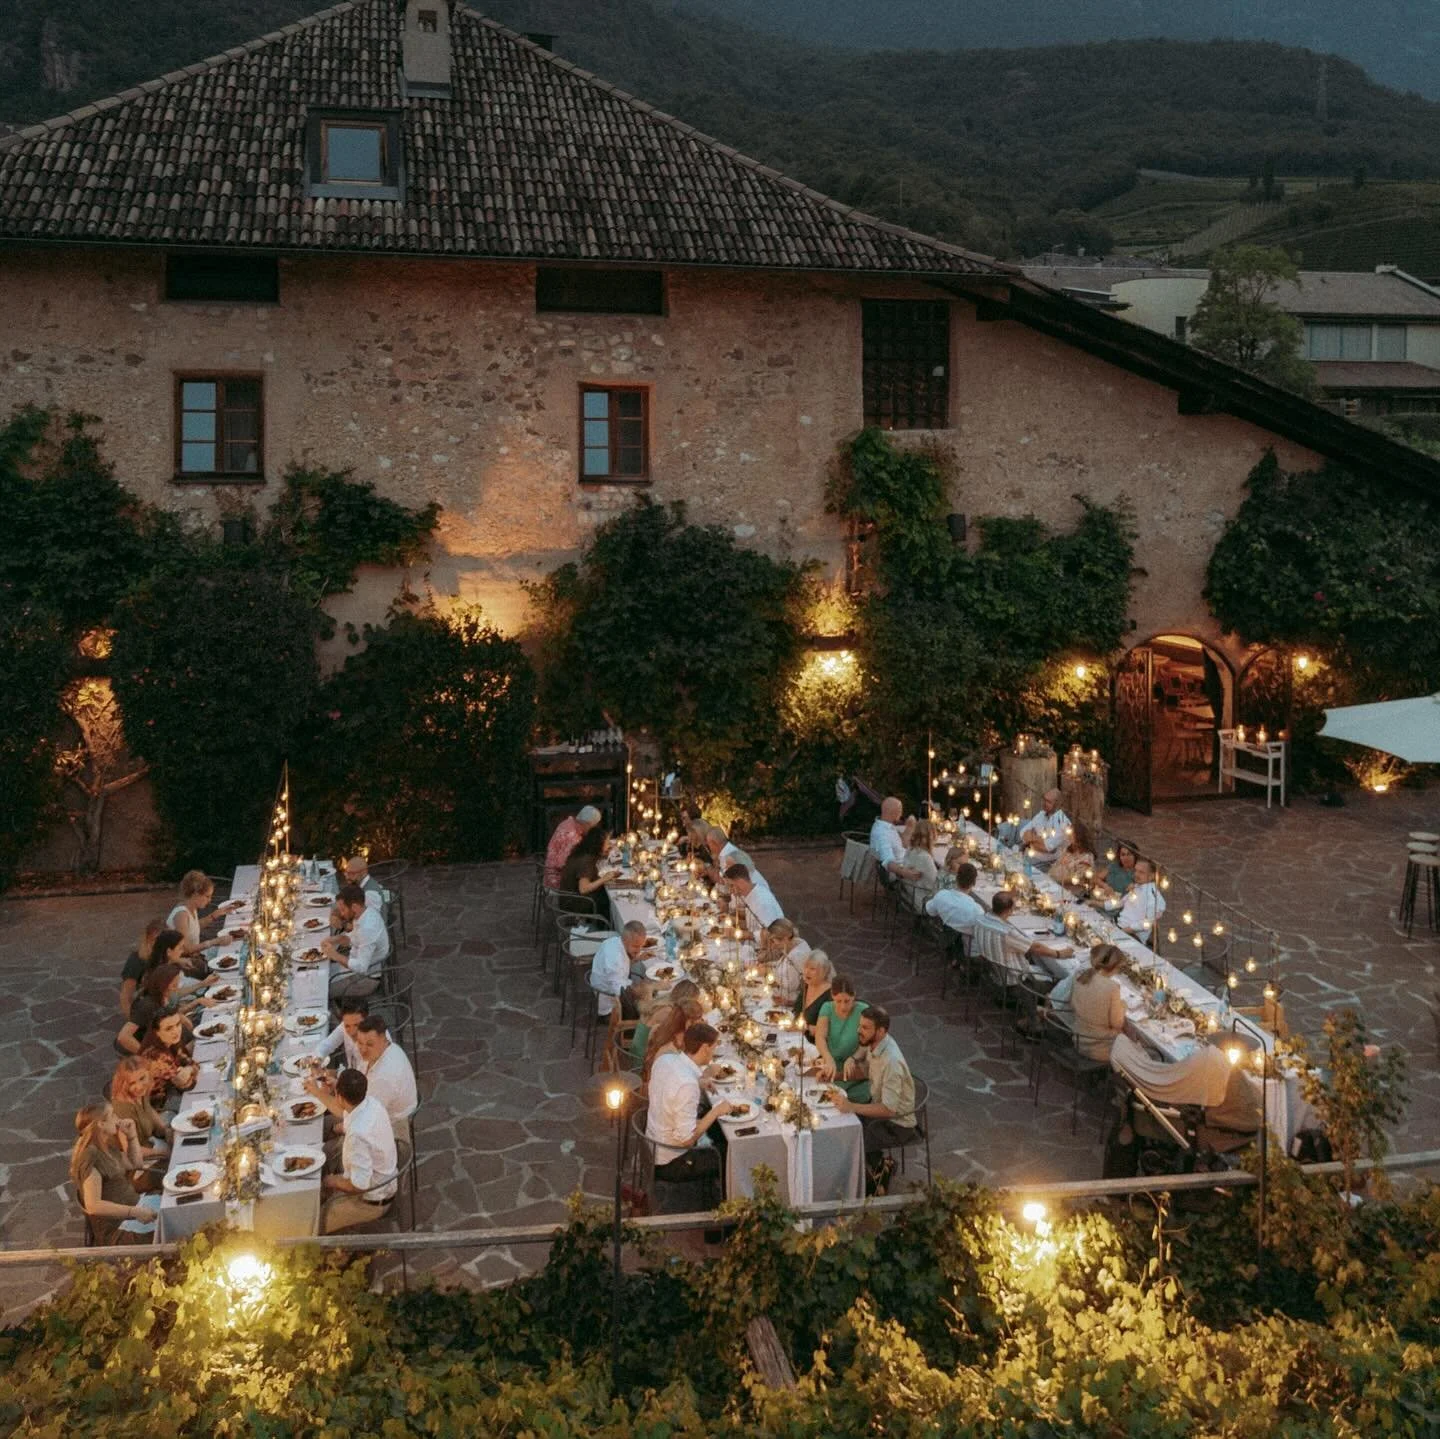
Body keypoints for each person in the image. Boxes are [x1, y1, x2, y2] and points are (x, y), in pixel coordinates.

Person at [832, 1006, 917, 1191]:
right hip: (879, 1110)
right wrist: (835, 1075)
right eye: (860, 1026)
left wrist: (851, 1106)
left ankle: (865, 1184)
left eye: (865, 1028)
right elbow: (864, 1068)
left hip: (897, 1123)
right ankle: (880, 1166)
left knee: (850, 1137)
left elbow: (888, 1110)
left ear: (881, 1031)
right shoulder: (874, 1044)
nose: (858, 1031)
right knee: (842, 1124)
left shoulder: (891, 1062)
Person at [646, 1021, 735, 1192]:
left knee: (716, 1128)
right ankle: (724, 1209)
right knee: (729, 1153)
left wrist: (699, 1082)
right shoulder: (687, 1085)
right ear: (704, 1048)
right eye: (714, 1047)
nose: (714, 1052)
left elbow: (671, 1088)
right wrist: (716, 1111)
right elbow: (686, 1140)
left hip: (652, 1141)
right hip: (671, 1161)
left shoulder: (666, 1060)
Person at [69, 1103, 162, 1244]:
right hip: (118, 1228)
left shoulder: (105, 1145)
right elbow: (93, 1205)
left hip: (136, 1206)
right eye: (112, 1115)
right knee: (176, 1233)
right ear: (101, 1124)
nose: (117, 1118)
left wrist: (132, 1136)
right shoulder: (90, 1156)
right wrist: (134, 1212)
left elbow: (135, 1164)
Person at [320, 1069, 398, 1234]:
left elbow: (360, 1185)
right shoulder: (371, 1103)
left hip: (372, 1200)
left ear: (339, 1097)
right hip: (385, 1179)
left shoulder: (358, 1135)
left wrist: (331, 1181)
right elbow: (348, 1121)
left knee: (315, 1221)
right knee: (326, 1152)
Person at [1052, 943, 1127, 1061]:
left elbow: (1072, 1002)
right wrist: (1123, 1006)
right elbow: (1117, 1024)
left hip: (1078, 1036)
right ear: (1114, 966)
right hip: (1099, 1046)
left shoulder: (1081, 974)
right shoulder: (1112, 987)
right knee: (1133, 1040)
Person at [984, 891, 1074, 977]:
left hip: (995, 970)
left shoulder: (982, 919)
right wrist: (1059, 954)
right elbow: (1035, 948)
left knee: (1037, 956)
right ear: (1009, 910)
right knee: (1060, 973)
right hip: (1016, 977)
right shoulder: (1007, 932)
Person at [322, 883, 389, 997]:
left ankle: (340, 1012)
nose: (341, 914)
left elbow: (361, 967)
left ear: (354, 907)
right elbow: (355, 938)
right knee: (322, 973)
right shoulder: (364, 913)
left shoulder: (367, 928)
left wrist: (335, 955)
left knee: (321, 990)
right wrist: (335, 939)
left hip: (366, 979)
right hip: (354, 967)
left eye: (343, 910)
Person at [166, 869, 241, 965]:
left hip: (194, 957)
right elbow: (185, 949)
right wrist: (214, 942)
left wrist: (215, 914)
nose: (209, 900)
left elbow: (193, 927)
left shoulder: (190, 907)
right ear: (196, 894)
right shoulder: (181, 915)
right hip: (183, 963)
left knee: (232, 949)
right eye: (207, 896)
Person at [108, 1055, 172, 1163]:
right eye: (132, 1083)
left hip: (152, 1141)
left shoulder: (140, 1093)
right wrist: (163, 1153)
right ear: (124, 1084)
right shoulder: (123, 1108)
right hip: (140, 1157)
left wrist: (166, 1131)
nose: (139, 1086)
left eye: (142, 1078)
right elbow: (130, 1150)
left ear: (148, 1073)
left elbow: (149, 1111)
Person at [813, 975, 870, 1097]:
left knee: (833, 1096)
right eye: (838, 1001)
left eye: (847, 1001)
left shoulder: (863, 1011)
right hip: (832, 1064)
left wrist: (853, 1058)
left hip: (855, 1069)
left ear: (854, 995)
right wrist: (828, 1058)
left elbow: (867, 1043)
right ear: (833, 996)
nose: (843, 1006)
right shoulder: (827, 1008)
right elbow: (820, 1037)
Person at [590, 920, 653, 1020]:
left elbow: (621, 967)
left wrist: (638, 959)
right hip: (609, 1006)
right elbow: (622, 992)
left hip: (611, 987)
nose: (639, 950)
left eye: (641, 946)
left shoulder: (615, 941)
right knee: (653, 1013)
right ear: (625, 940)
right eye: (636, 946)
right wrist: (645, 989)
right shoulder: (614, 958)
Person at [641, 984, 705, 1081]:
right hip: (640, 1053)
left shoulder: (670, 1025)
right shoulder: (669, 1049)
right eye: (697, 1022)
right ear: (688, 1023)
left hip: (650, 1065)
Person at [138, 1009, 198, 1109]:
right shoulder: (156, 1056)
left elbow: (191, 1063)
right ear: (157, 1032)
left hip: (172, 1092)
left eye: (178, 1024)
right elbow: (187, 1084)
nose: (176, 1031)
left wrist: (190, 1069)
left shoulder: (171, 1042)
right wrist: (191, 1069)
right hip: (161, 1107)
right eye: (169, 1028)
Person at [558, 825, 616, 922]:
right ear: (598, 844)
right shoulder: (586, 861)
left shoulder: (583, 851)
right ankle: (602, 928)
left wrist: (604, 853)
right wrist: (604, 879)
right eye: (607, 843)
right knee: (608, 901)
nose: (609, 845)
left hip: (568, 896)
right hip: (573, 902)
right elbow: (584, 889)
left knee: (606, 893)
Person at [544, 805, 602, 889]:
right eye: (593, 826)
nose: (593, 830)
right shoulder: (571, 836)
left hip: (556, 872)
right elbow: (562, 863)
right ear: (586, 824)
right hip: (558, 878)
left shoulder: (569, 823)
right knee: (594, 880)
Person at [925, 860, 985, 940]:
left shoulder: (942, 895)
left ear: (956, 878)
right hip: (966, 947)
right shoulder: (977, 911)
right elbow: (980, 934)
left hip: (943, 938)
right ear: (974, 883)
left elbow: (930, 911)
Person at [118, 918, 165, 1018]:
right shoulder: (136, 961)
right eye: (155, 940)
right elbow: (125, 997)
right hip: (145, 1008)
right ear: (148, 939)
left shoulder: (162, 955)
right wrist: (133, 1022)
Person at [1017, 789, 1070, 865]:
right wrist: (1039, 841)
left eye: (1048, 802)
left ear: (1057, 804)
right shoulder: (1041, 814)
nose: (1044, 804)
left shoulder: (1063, 822)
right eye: (1044, 800)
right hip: (1029, 856)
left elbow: (1047, 848)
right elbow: (1022, 833)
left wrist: (1030, 839)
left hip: (1046, 864)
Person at [724, 863, 783, 929]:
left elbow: (768, 933)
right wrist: (733, 921)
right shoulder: (750, 895)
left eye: (731, 886)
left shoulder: (762, 901)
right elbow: (752, 926)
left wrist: (744, 935)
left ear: (741, 882)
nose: (730, 891)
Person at [1117, 858, 1166, 938]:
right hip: (1120, 927)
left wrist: (1121, 932)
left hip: (1133, 936)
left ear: (1152, 876)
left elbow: (1146, 924)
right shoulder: (1137, 886)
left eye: (1141, 872)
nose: (1136, 874)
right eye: (1135, 870)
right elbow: (1120, 903)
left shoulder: (1153, 897)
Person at [763, 918, 811, 996]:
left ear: (785, 938)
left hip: (791, 997)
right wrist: (768, 964)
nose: (772, 946)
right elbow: (784, 964)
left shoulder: (797, 955)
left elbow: (791, 985)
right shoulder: (793, 943)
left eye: (773, 941)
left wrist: (768, 973)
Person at [869, 797, 915, 878]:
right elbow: (888, 861)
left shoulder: (885, 825)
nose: (901, 814)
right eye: (900, 811)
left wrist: (909, 828)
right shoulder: (882, 833)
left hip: (907, 860)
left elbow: (903, 844)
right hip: (901, 875)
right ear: (893, 813)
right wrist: (906, 873)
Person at [320, 997, 370, 1070]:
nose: (352, 1032)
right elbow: (327, 1044)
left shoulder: (375, 1041)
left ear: (367, 1019)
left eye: (357, 1025)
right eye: (347, 1026)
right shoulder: (349, 1022)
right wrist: (317, 1059)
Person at [793, 950, 836, 1031]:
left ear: (824, 971)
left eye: (812, 969)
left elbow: (832, 1028)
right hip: (796, 1035)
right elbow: (798, 1010)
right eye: (805, 967)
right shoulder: (807, 985)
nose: (807, 972)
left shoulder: (831, 995)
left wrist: (808, 1028)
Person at [1050, 821, 1097, 889]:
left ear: (1078, 836)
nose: (1068, 835)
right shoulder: (1069, 849)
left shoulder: (1087, 857)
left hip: (1071, 890)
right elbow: (1057, 864)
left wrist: (1056, 880)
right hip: (1055, 883)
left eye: (1071, 833)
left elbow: (1077, 879)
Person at [899, 820, 939, 893]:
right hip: (922, 899)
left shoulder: (911, 849)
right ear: (932, 836)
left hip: (910, 893)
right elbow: (936, 884)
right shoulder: (925, 857)